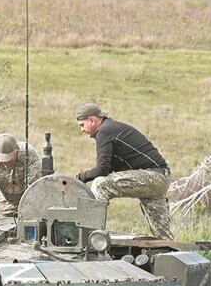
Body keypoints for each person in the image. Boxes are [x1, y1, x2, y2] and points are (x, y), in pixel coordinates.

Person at [73, 103, 174, 240]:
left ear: (92, 120)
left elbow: (102, 170)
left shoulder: (104, 131)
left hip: (152, 176)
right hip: (160, 178)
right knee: (163, 236)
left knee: (100, 184)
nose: (82, 130)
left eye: (82, 125)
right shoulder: (112, 128)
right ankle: (171, 252)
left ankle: (92, 237)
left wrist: (79, 178)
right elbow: (109, 168)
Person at [0, 132, 42, 222]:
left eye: (7, 159)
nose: (4, 163)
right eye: (0, 160)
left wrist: (34, 216)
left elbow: (34, 191)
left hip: (28, 204)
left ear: (17, 150)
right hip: (3, 207)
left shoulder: (29, 156)